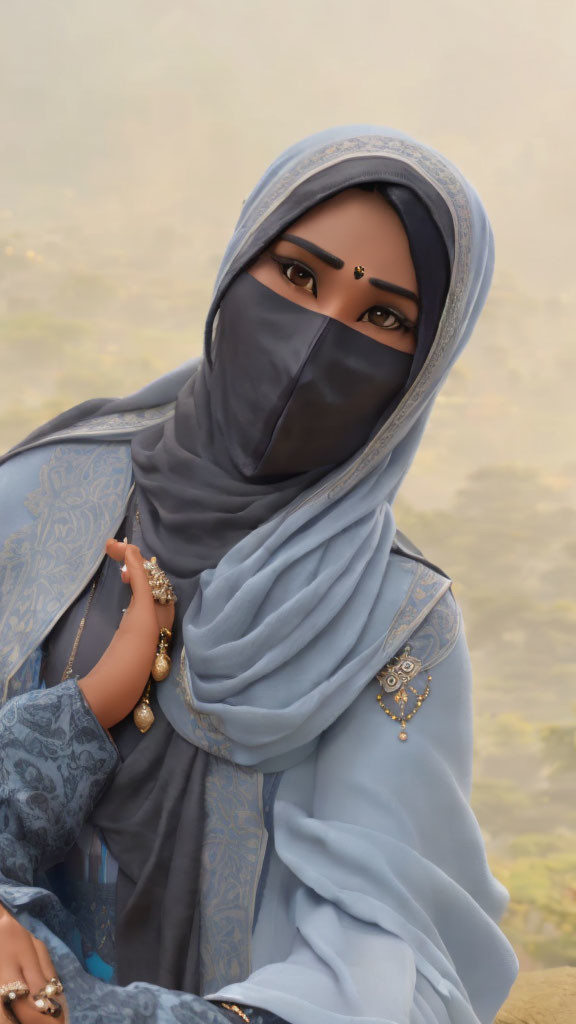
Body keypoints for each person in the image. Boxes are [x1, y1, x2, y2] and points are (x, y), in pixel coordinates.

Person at [0, 124, 520, 1024]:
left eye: (386, 318)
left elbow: (395, 959)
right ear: (240, 264)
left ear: (421, 370)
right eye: (299, 275)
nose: (317, 338)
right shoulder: (40, 495)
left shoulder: (395, 625)